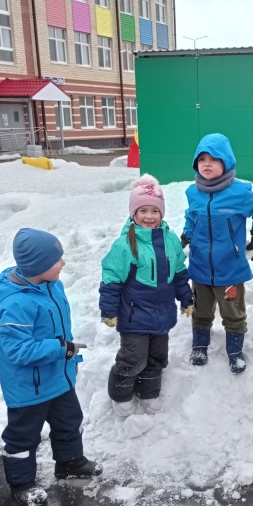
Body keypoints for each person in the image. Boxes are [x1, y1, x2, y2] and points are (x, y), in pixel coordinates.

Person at [0, 228, 102, 505]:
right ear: (38, 266)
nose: (63, 263)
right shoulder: (16, 304)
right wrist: (60, 349)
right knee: (23, 436)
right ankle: (21, 483)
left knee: (69, 422)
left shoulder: (53, 286)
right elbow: (17, 350)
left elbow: (63, 329)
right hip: (30, 387)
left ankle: (70, 463)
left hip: (57, 377)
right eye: (58, 259)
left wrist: (71, 357)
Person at [100, 175, 192, 417]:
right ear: (134, 213)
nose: (149, 216)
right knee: (134, 357)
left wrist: (186, 298)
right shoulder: (126, 244)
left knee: (157, 357)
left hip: (162, 314)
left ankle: (148, 392)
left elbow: (180, 271)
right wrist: (108, 310)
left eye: (154, 210)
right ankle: (120, 395)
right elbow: (111, 278)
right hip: (134, 315)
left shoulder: (171, 240)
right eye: (143, 211)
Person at [181, 133, 253, 374]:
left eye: (214, 159)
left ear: (227, 162)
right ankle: (199, 345)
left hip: (230, 268)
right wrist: (186, 236)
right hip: (200, 267)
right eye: (202, 159)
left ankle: (235, 351)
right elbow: (192, 216)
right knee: (201, 310)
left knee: (233, 311)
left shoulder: (239, 193)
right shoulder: (193, 192)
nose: (207, 164)